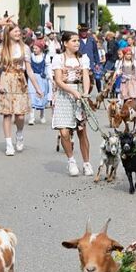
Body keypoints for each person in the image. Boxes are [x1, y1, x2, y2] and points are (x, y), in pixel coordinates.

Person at [0, 24, 41, 157]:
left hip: (20, 80)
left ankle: (19, 132)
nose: (18, 34)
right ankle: (8, 144)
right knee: (7, 113)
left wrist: (37, 88)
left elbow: (29, 70)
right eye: (15, 32)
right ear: (8, 33)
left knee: (20, 115)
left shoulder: (24, 48)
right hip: (6, 79)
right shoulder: (0, 48)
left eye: (19, 32)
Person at [51, 31, 91, 177]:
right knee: (64, 132)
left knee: (81, 131)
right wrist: (72, 92)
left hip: (79, 92)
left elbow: (86, 76)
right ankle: (71, 160)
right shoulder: (58, 58)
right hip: (64, 93)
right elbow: (58, 80)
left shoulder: (83, 59)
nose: (77, 43)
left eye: (78, 41)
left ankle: (86, 162)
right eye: (73, 41)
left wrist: (85, 93)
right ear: (65, 43)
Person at [28, 41, 49, 125]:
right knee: (32, 96)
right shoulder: (31, 57)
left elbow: (48, 68)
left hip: (42, 78)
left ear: (40, 49)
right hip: (32, 78)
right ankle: (31, 117)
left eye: (36, 48)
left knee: (41, 96)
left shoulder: (45, 57)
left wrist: (49, 78)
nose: (34, 50)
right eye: (33, 48)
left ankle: (42, 115)